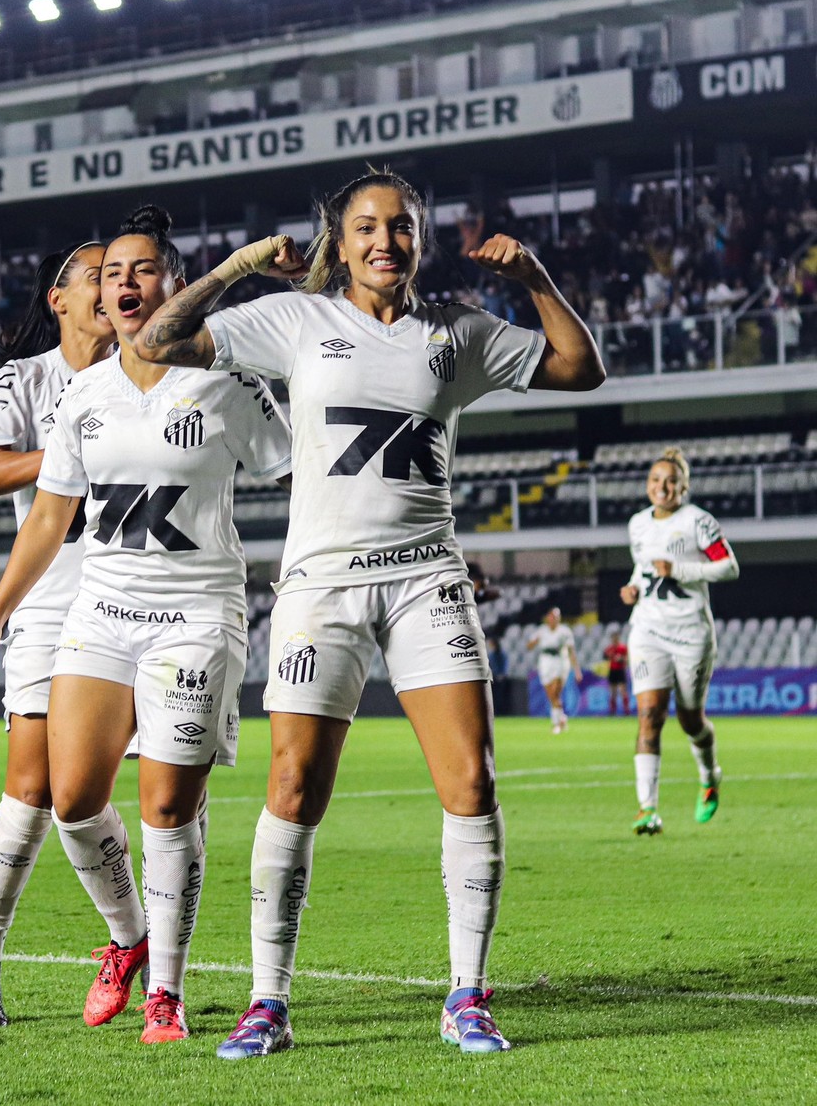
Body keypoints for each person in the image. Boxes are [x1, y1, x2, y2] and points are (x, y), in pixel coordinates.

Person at [131, 168, 605, 1057]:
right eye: (365, 227)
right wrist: (234, 266)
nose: (384, 240)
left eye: (400, 226)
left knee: (472, 784)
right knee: (294, 789)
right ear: (337, 242)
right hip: (321, 588)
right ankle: (268, 1000)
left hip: (430, 577)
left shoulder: (456, 334)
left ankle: (467, 993)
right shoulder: (297, 321)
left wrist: (536, 279)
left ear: (419, 240)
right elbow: (158, 340)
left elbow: (581, 367)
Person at [0, 205, 296, 1043]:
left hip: (194, 612)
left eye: (144, 270)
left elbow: (301, 466)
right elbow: (47, 517)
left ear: (175, 285)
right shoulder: (79, 397)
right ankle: (131, 940)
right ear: (96, 299)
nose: (126, 283)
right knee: (71, 799)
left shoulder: (224, 380)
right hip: (99, 611)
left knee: (165, 810)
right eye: (113, 274)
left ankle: (167, 997)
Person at [0, 240, 114, 1026]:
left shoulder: (148, 371)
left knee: (166, 790)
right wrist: (67, 450)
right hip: (52, 602)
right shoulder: (24, 379)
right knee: (31, 792)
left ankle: (150, 958)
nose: (110, 285)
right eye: (95, 274)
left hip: (141, 597)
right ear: (58, 297)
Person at [620, 447, 739, 835]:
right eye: (655, 480)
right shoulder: (637, 524)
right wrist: (633, 589)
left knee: (690, 720)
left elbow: (729, 566)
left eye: (670, 481)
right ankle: (646, 810)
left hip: (691, 633)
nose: (662, 487)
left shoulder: (699, 522)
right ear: (647, 485)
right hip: (648, 630)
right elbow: (643, 569)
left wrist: (681, 570)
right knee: (650, 715)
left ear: (683, 486)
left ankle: (710, 775)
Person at [528, 607, 582, 734]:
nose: (554, 619)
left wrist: (577, 670)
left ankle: (556, 723)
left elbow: (570, 651)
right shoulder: (541, 631)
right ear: (548, 618)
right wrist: (534, 642)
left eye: (556, 617)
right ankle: (562, 717)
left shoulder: (564, 631)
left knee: (555, 692)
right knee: (551, 695)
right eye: (552, 616)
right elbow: (529, 646)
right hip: (545, 662)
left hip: (560, 661)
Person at [603, 630, 629, 716]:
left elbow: (627, 659)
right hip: (612, 670)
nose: (614, 639)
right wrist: (608, 656)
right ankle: (612, 711)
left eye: (616, 638)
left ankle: (626, 710)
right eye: (613, 638)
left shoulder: (623, 648)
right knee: (613, 692)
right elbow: (605, 657)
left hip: (620, 670)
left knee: (622, 691)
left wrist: (620, 659)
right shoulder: (609, 648)